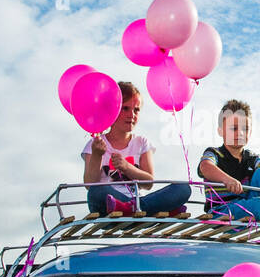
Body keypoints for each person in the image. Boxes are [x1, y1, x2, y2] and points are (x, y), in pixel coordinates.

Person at [80, 80, 191, 218]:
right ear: (112, 109)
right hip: (107, 205)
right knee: (96, 192)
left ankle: (131, 208)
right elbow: (89, 185)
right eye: (125, 108)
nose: (132, 114)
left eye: (136, 110)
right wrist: (97, 155)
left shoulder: (142, 142)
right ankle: (152, 209)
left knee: (183, 189)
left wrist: (127, 167)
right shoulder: (96, 143)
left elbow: (149, 182)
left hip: (137, 201)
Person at [197, 99, 260, 223]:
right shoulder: (214, 153)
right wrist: (227, 179)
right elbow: (205, 166)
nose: (239, 133)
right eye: (233, 128)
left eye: (245, 129)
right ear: (220, 131)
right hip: (222, 210)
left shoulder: (251, 158)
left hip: (248, 202)